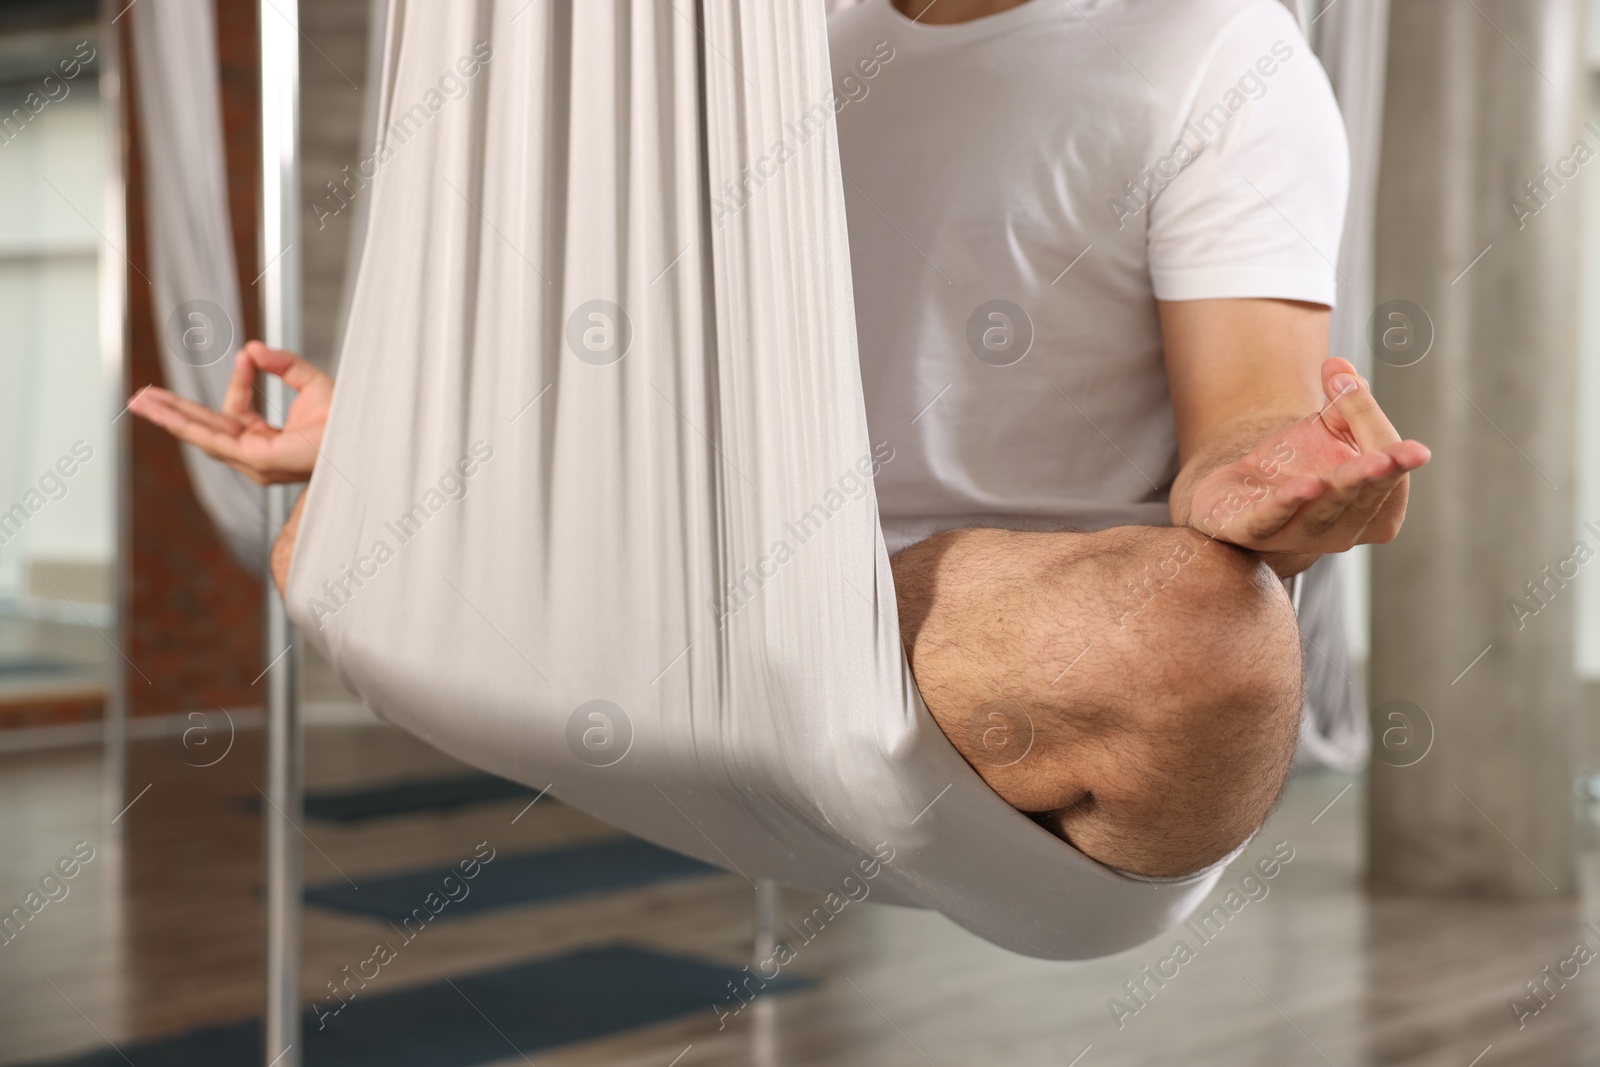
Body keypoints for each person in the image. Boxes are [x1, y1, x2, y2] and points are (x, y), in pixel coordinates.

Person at [130, 0, 1429, 881]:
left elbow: (1243, 415)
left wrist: (1272, 480)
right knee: (338, 546)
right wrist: (401, 438)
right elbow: (623, 346)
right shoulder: (745, 40)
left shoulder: (1219, 47)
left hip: (949, 634)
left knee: (1214, 651)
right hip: (682, 562)